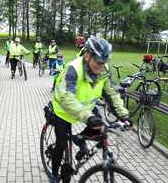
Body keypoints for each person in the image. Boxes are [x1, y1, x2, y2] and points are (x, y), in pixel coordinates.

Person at [49, 36, 134, 183]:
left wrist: (123, 116)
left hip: (86, 109)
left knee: (100, 129)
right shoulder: (73, 69)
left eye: (105, 62)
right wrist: (89, 117)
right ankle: (55, 175)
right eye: (99, 61)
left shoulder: (104, 70)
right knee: (61, 143)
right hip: (63, 110)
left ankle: (79, 140)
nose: (102, 65)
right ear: (87, 56)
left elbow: (112, 94)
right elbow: (67, 98)